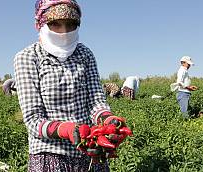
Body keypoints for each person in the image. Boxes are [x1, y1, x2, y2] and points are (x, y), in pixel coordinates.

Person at [14, 0, 129, 171]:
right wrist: (64, 129)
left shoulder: (84, 54)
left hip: (89, 148)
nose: (64, 31)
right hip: (50, 154)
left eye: (70, 24)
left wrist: (107, 119)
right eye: (55, 24)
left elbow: (96, 101)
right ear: (40, 24)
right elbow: (33, 119)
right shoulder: (28, 57)